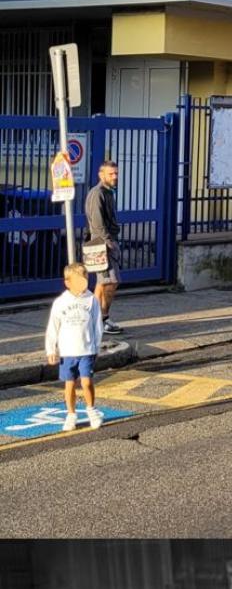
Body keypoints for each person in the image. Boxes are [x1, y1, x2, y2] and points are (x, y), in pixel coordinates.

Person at [45, 263, 105, 431]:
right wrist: (51, 349)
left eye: (85, 279)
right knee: (69, 384)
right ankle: (71, 414)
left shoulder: (91, 300)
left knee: (86, 382)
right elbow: (53, 327)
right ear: (68, 282)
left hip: (87, 349)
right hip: (67, 351)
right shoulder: (60, 302)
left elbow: (97, 324)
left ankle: (91, 410)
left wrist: (97, 347)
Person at [84, 160, 123, 335]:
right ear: (101, 175)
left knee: (102, 283)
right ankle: (103, 318)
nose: (115, 176)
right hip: (101, 244)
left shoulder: (108, 193)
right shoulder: (97, 193)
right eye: (111, 174)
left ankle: (94, 318)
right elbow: (98, 224)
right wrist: (109, 242)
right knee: (111, 282)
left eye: (116, 173)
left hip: (107, 242)